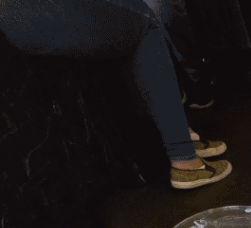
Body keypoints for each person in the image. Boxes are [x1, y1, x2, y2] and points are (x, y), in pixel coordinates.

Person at [0, 0, 231, 190]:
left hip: (17, 16)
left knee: (137, 10)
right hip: (26, 15)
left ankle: (179, 134)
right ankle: (185, 158)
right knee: (145, 24)